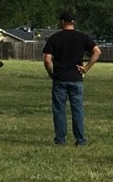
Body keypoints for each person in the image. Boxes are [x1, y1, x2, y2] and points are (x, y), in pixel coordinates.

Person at [41, 9, 100, 146]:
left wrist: (50, 73)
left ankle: (60, 139)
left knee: (59, 110)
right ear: (74, 23)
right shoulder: (82, 37)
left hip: (60, 77)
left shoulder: (55, 38)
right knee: (77, 109)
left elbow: (47, 59)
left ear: (62, 22)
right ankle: (80, 139)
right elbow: (97, 52)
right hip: (76, 78)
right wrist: (86, 67)